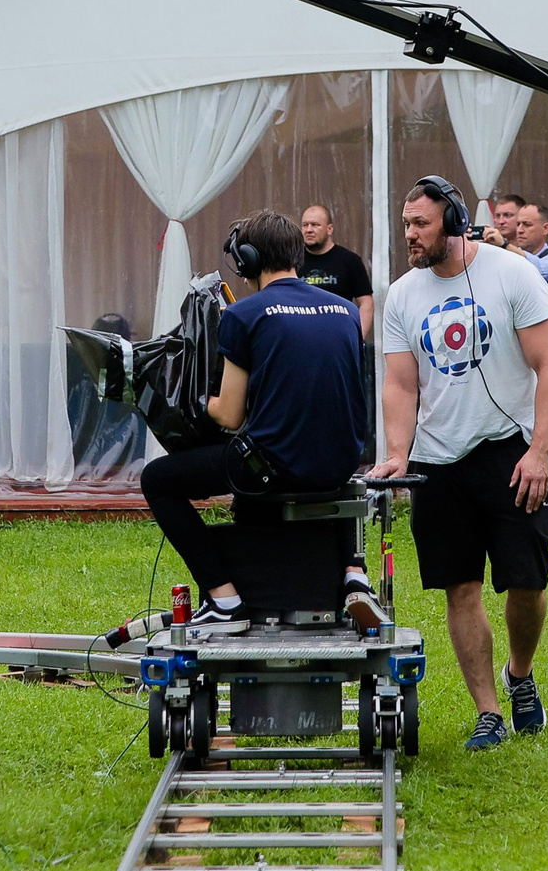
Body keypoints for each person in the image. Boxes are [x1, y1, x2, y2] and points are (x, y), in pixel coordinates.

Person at [369, 175, 548, 751]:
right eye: (405, 224)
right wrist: (397, 456)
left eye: (420, 224)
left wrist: (540, 451)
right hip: (437, 462)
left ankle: (520, 677)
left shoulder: (514, 275)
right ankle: (487, 713)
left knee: (526, 582)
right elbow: (401, 386)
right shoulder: (402, 295)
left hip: (511, 450)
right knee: (461, 588)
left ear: (452, 222)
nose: (409, 234)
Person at [137, 210, 386, 632]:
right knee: (310, 448)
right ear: (296, 256)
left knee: (157, 480)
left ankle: (224, 599)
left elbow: (229, 414)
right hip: (341, 465)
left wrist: (201, 401)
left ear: (247, 260)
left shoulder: (244, 315)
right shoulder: (346, 311)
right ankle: (353, 574)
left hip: (274, 470)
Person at [295, 203, 374, 343]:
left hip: (338, 339)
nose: (309, 230)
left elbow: (366, 302)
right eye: (305, 225)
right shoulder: (293, 261)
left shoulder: (349, 260)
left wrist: (356, 338)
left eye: (315, 225)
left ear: (329, 229)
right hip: (301, 338)